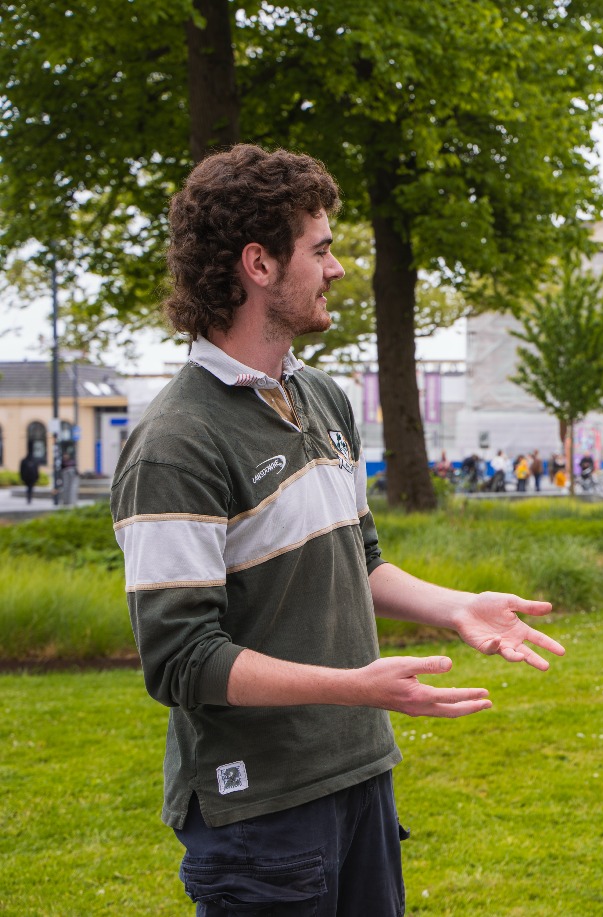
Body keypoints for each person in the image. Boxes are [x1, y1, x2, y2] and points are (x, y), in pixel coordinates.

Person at [110, 145, 565, 917]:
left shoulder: (323, 397)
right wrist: (356, 686)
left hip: (358, 772)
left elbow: (362, 558)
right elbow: (181, 659)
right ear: (259, 263)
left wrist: (456, 606)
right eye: (320, 250)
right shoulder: (177, 442)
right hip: (261, 811)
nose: (338, 268)